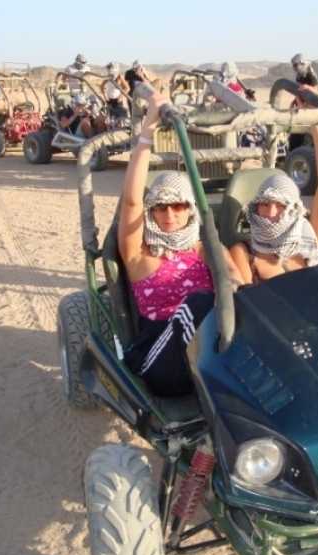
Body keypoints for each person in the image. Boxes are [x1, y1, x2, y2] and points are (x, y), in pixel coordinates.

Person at [119, 91, 242, 396]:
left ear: (190, 209)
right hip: (160, 361)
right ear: (151, 211)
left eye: (178, 206)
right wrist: (147, 130)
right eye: (161, 207)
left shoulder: (205, 249)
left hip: (209, 354)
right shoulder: (139, 254)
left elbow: (234, 278)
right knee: (200, 302)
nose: (170, 215)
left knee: (236, 297)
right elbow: (132, 202)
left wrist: (234, 286)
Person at [229, 87, 318, 284]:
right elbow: (244, 297)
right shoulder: (244, 253)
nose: (270, 213)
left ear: (293, 210)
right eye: (265, 204)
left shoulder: (307, 245)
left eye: (280, 206)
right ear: (256, 207)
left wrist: (315, 122)